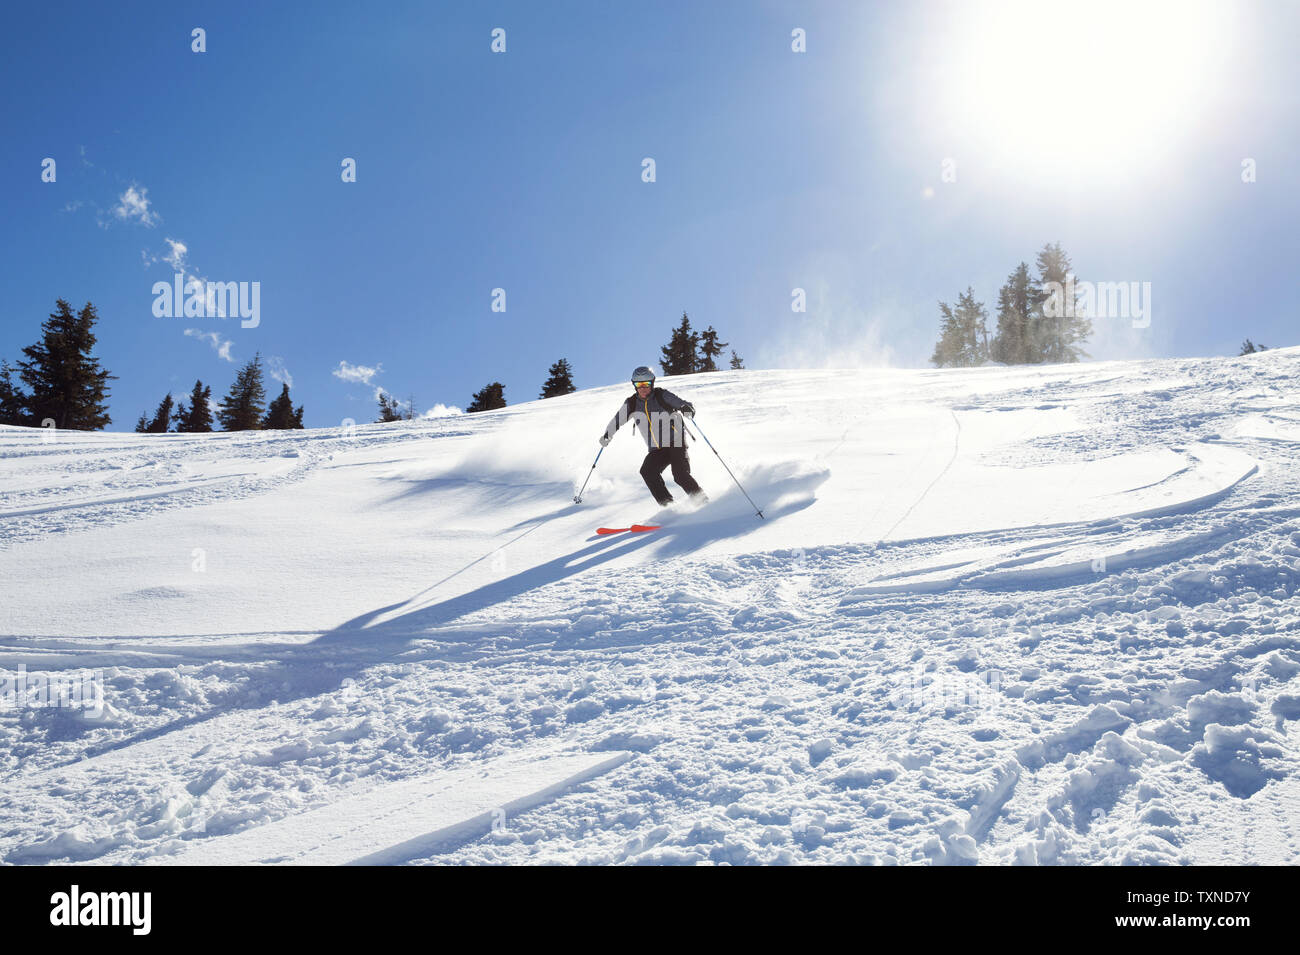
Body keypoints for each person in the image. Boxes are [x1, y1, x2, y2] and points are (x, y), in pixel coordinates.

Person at [599, 366, 707, 507]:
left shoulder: (662, 395)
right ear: (634, 385)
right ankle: (669, 506)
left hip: (676, 441)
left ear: (652, 383)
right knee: (647, 471)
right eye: (639, 385)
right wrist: (608, 434)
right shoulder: (631, 403)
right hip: (657, 448)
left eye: (646, 384)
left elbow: (684, 404)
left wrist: (687, 409)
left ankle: (703, 503)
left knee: (680, 475)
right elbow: (617, 420)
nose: (643, 388)